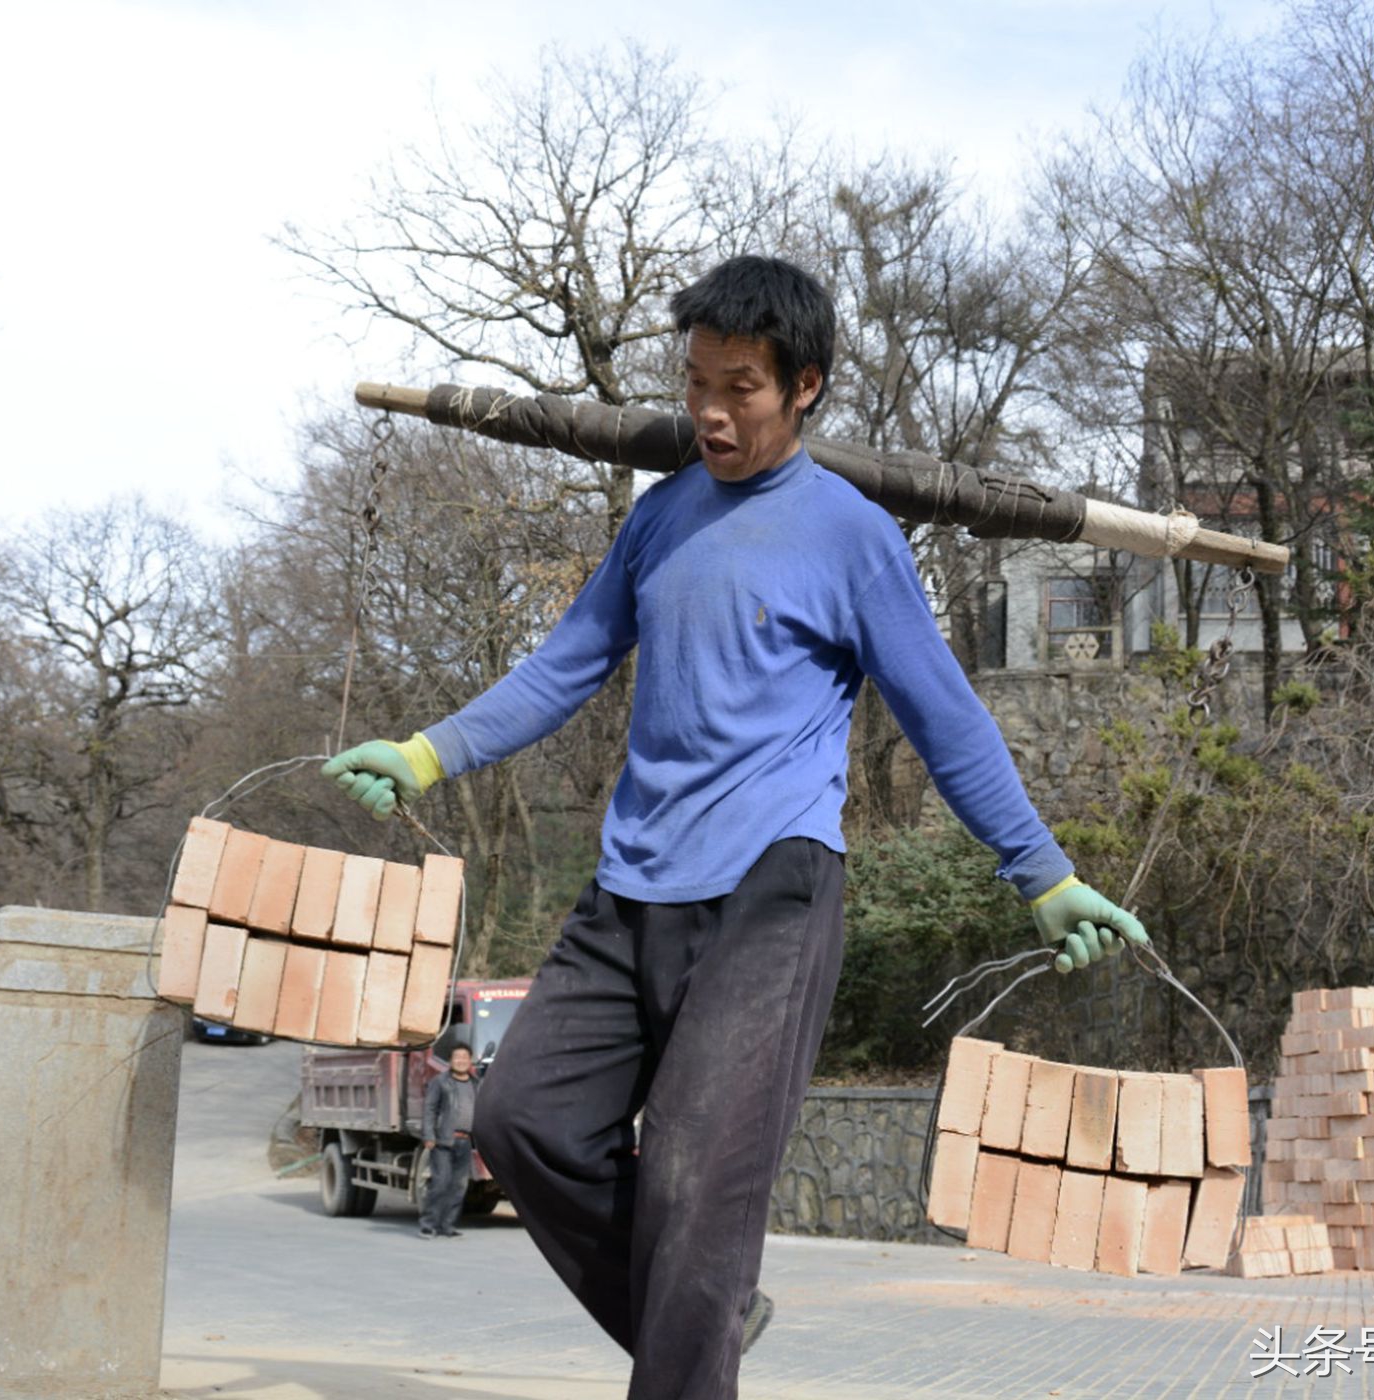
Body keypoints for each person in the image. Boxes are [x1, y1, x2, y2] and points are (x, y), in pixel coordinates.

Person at [324, 254, 1148, 1400]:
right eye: (698, 382)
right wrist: (424, 750)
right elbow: (565, 663)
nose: (710, 411)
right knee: (521, 1121)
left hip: (772, 891)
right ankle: (705, 1313)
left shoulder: (853, 536)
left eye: (741, 388)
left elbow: (946, 715)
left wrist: (1042, 871)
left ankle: (693, 1330)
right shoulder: (660, 519)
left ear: (804, 386)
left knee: (695, 1184)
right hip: (629, 888)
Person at [417, 1042, 479, 1240]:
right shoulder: (440, 1082)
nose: (461, 1060)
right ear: (450, 1061)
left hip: (465, 1141)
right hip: (443, 1140)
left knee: (459, 1186)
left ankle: (447, 1225)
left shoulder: (475, 1084)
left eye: (464, 1057)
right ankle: (428, 1225)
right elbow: (430, 1109)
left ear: (470, 1061)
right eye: (457, 1057)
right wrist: (428, 1135)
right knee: (441, 1183)